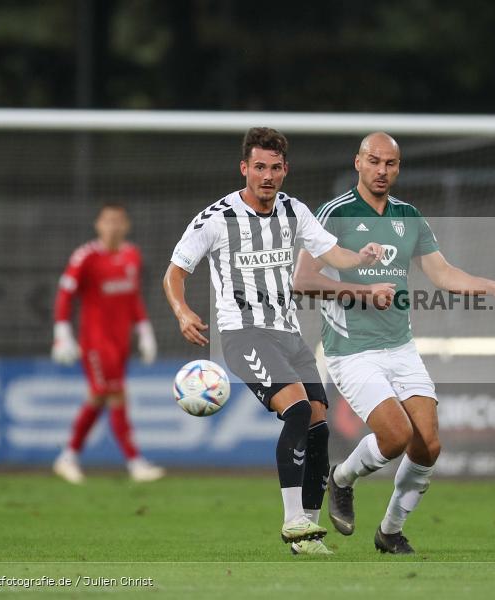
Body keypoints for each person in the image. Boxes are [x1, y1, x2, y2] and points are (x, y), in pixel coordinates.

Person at [294, 132, 495, 554]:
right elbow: (302, 281)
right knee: (395, 436)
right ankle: (341, 479)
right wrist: (364, 293)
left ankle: (390, 531)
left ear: (398, 168)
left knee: (428, 445)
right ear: (358, 162)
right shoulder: (334, 214)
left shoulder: (409, 217)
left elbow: (444, 275)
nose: (381, 170)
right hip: (352, 351)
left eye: (390, 163)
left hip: (401, 348)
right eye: (374, 161)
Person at [163, 127, 383, 556]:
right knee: (297, 409)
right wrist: (183, 311)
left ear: (285, 170)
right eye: (259, 167)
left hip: (288, 334)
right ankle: (292, 519)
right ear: (244, 168)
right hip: (243, 334)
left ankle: (309, 535)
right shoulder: (217, 218)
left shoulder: (294, 211)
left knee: (319, 423)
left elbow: (331, 252)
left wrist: (359, 257)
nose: (267, 176)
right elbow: (175, 273)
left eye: (275, 168)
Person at [51, 203, 164, 484]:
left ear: (126, 225)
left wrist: (145, 330)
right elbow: (65, 295)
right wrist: (62, 332)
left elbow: (133, 297)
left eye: (118, 221)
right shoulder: (85, 257)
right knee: (114, 395)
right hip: (96, 341)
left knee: (99, 396)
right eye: (107, 221)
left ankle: (68, 456)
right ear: (98, 225)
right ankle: (135, 462)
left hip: (120, 341)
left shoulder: (132, 254)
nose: (113, 226)